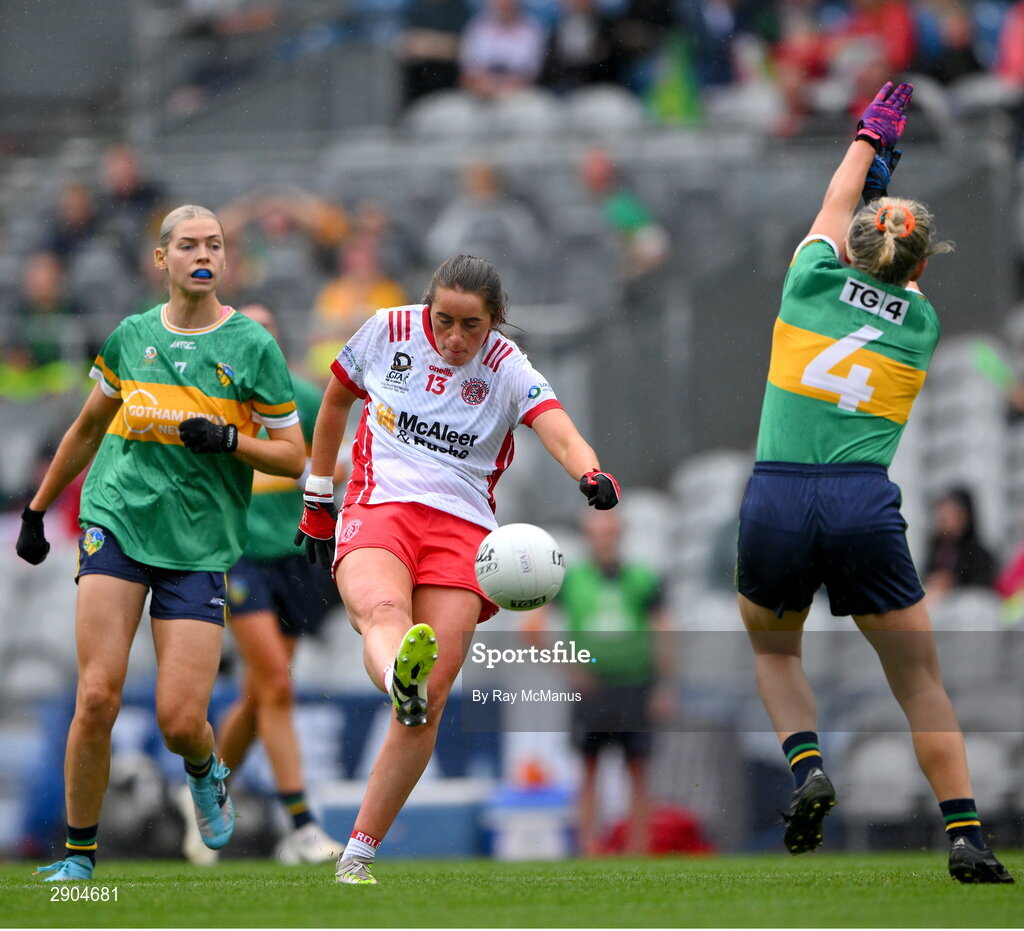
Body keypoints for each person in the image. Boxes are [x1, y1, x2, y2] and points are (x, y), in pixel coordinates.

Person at [735, 82, 1013, 884]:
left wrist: (867, 141)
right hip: (862, 500)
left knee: (773, 647)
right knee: (918, 679)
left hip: (780, 494)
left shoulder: (808, 279)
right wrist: (885, 214)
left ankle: (807, 765)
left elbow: (838, 206)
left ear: (852, 245)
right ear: (920, 264)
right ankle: (966, 836)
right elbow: (891, 265)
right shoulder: (921, 322)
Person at [293, 253, 621, 885]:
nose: (453, 339)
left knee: (433, 696)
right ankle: (397, 674)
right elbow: (335, 399)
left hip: (462, 529)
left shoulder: (508, 368)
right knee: (382, 613)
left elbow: (557, 430)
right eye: (443, 321)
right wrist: (316, 493)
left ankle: (357, 853)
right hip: (379, 504)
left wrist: (589, 471)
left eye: (471, 325)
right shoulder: (388, 331)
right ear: (427, 307)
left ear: (495, 320)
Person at [16, 205, 306, 882]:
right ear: (162, 259)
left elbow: (293, 456)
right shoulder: (130, 336)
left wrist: (232, 439)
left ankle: (205, 771)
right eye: (187, 244)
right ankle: (79, 858)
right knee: (96, 696)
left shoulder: (252, 347)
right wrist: (36, 508)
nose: (202, 254)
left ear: (224, 259)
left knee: (181, 721)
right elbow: (89, 428)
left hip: (200, 543)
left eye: (214, 244)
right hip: (116, 520)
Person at [176, 303, 344, 867]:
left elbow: (341, 458)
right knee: (274, 682)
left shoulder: (303, 395)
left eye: (267, 334)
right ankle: (301, 824)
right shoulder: (212, 404)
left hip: (297, 556)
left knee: (259, 693)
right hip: (237, 556)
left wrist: (310, 469)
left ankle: (202, 791)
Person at [530, 507, 672, 856]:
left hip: (635, 685)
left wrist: (664, 683)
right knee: (589, 769)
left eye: (611, 531)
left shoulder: (641, 578)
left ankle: (638, 850)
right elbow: (532, 630)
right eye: (598, 531)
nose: (605, 538)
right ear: (588, 536)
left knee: (638, 771)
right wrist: (572, 668)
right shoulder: (572, 579)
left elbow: (664, 632)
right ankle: (590, 849)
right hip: (592, 690)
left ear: (620, 534)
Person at [923, 486, 997, 605]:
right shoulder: (935, 551)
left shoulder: (979, 554)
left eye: (951, 512)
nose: (944, 518)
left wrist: (951, 583)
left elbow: (983, 586)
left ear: (965, 515)